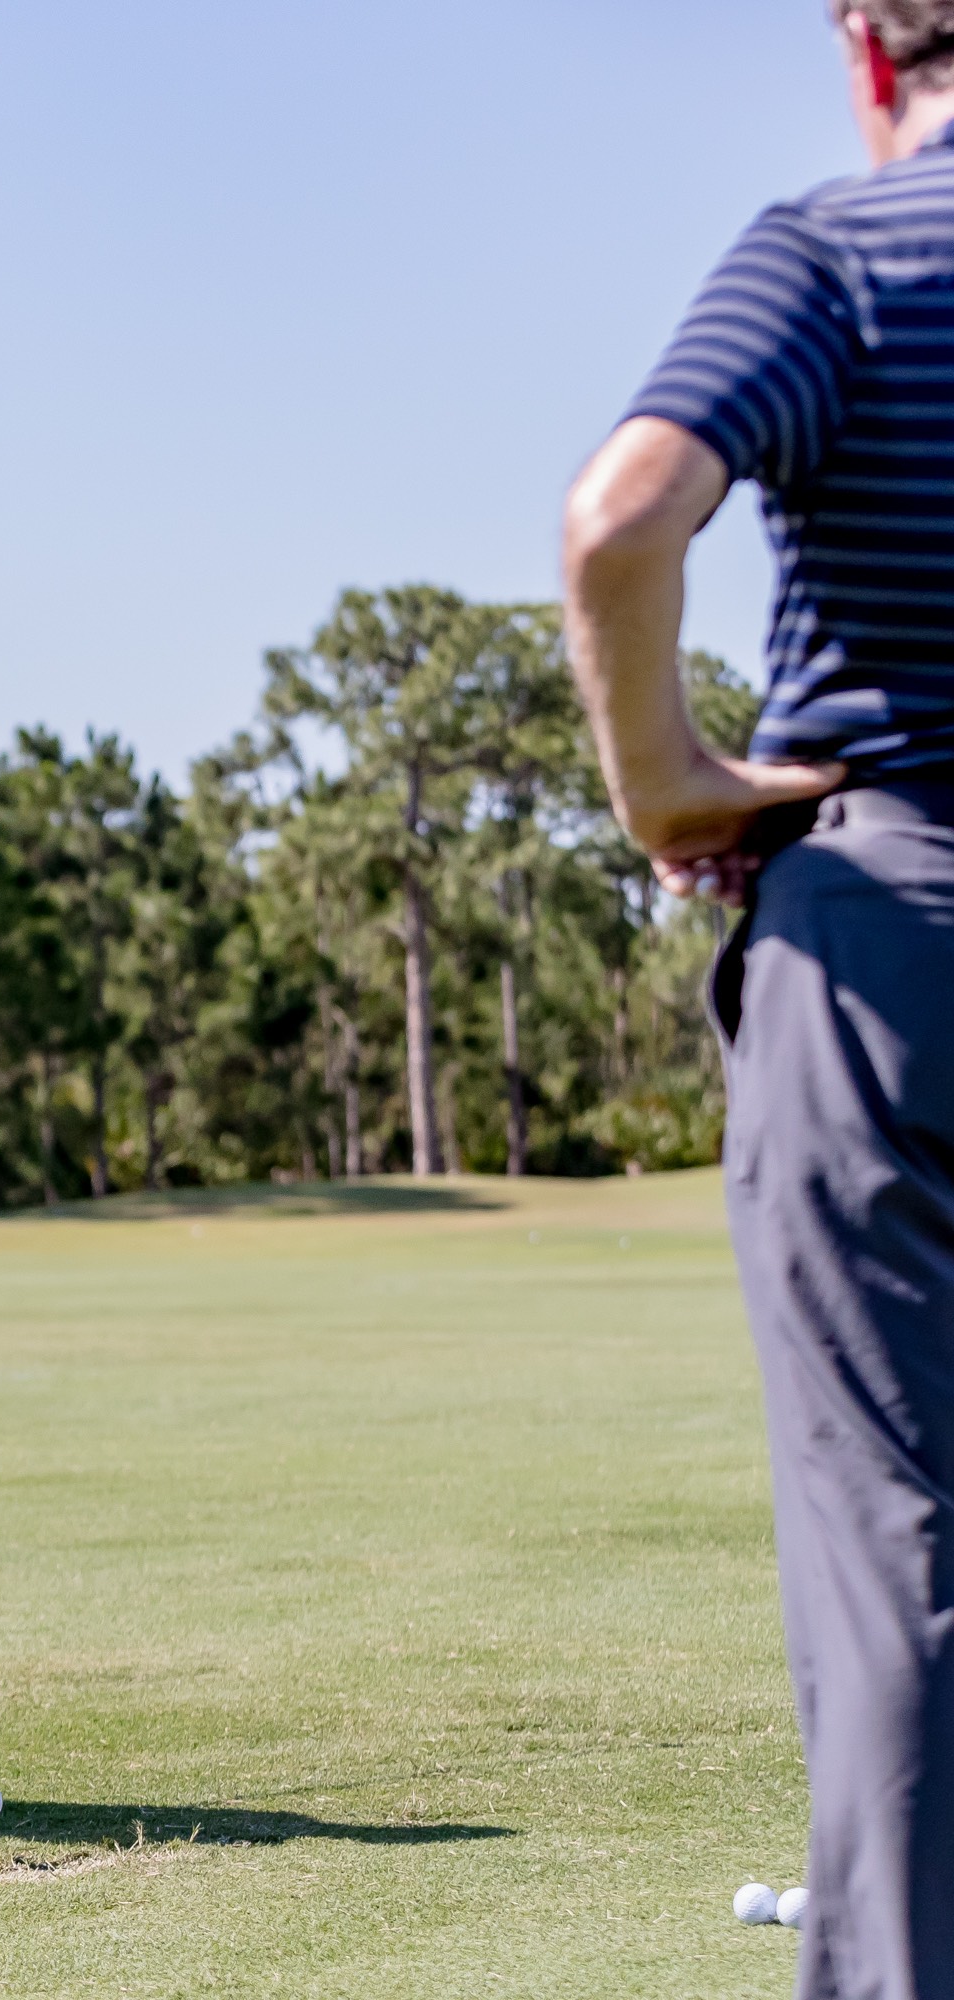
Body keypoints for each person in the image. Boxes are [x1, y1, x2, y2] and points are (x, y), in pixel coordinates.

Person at [565, 8, 954, 1990]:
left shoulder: (838, 253)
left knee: (897, 1542)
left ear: (869, 51)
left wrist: (668, 788)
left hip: (891, 945)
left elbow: (624, 515)